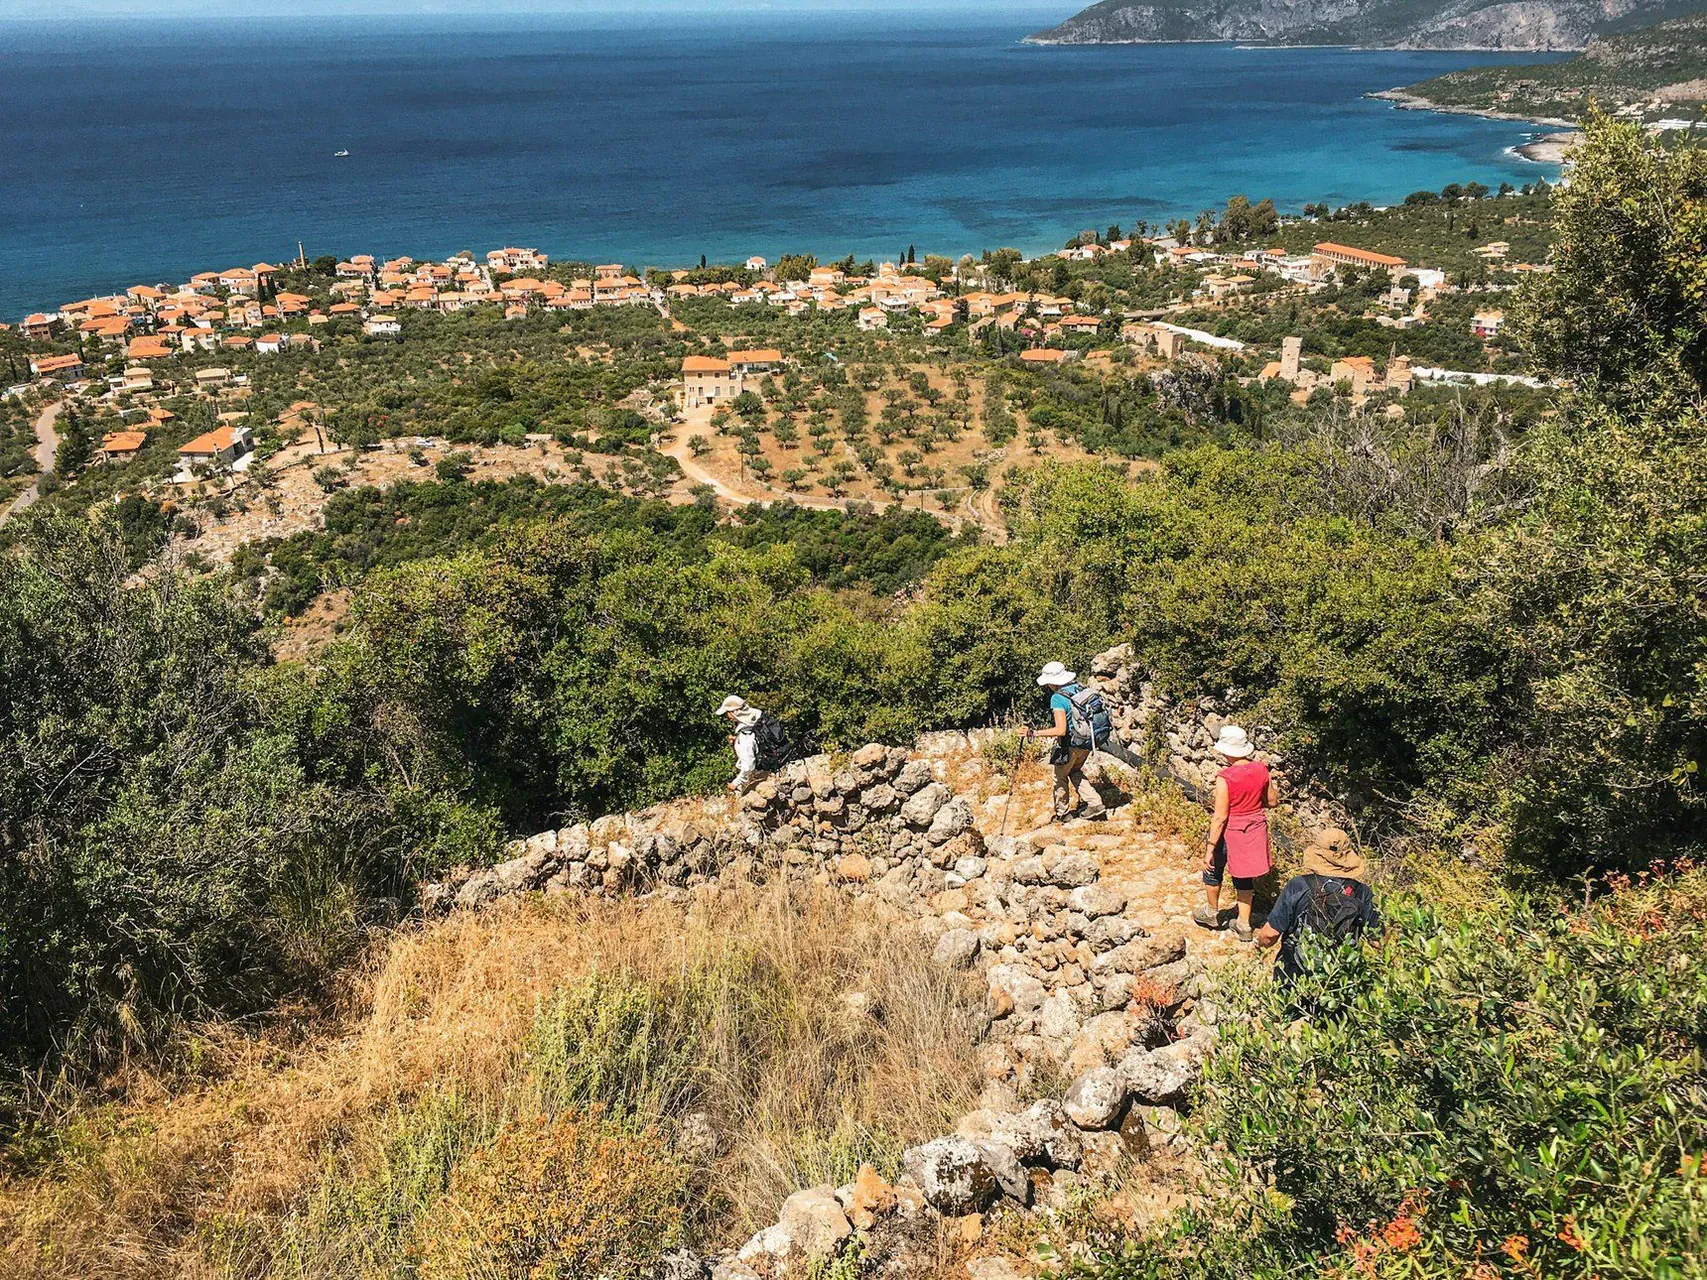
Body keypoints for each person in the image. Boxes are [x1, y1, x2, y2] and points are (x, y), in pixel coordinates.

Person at [1257, 827, 1379, 1011]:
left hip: (1295, 974)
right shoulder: (1362, 893)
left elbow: (1269, 934)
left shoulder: (1298, 886)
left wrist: (1259, 946)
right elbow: (1378, 941)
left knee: (1286, 1025)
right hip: (1340, 978)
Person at [1193, 724, 1277, 941]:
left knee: (1213, 868)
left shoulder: (1225, 777)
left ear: (1225, 750)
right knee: (1243, 874)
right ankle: (1244, 924)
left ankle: (1212, 914)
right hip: (1254, 827)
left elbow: (1220, 816)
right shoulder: (1261, 769)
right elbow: (1272, 801)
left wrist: (1210, 849)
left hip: (1231, 830)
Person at [1022, 661, 1108, 824]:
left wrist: (1034, 733)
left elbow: (1060, 730)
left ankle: (1063, 813)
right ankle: (1095, 803)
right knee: (1074, 771)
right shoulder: (1081, 688)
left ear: (1052, 682)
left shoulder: (1058, 698)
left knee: (1060, 776)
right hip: (1089, 740)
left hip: (1071, 743)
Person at [716, 695, 769, 793]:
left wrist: (735, 783)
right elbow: (756, 741)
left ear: (735, 712)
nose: (727, 717)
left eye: (727, 713)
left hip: (759, 774)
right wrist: (737, 740)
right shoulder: (756, 718)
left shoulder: (746, 736)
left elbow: (748, 766)